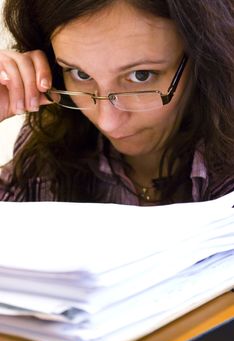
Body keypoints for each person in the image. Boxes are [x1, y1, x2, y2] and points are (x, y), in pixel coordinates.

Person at [0, 0, 233, 205]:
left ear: (204, 57)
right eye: (80, 74)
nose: (107, 122)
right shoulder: (50, 146)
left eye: (141, 76)